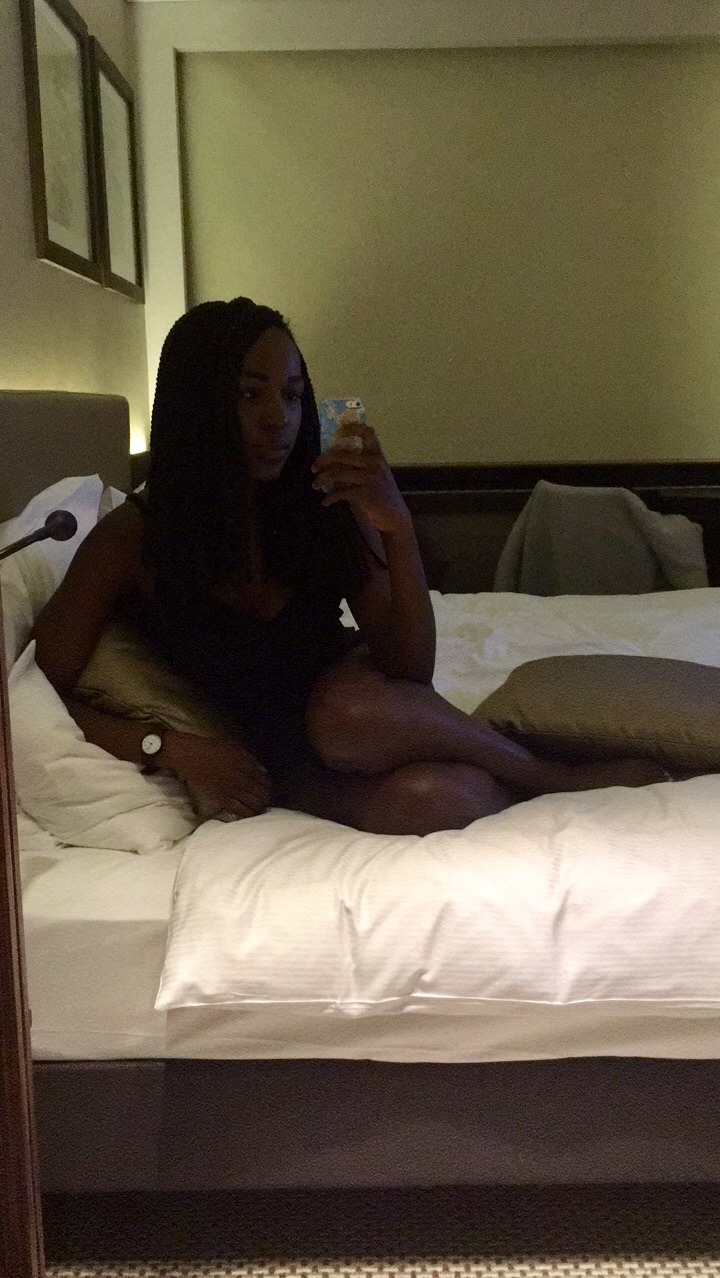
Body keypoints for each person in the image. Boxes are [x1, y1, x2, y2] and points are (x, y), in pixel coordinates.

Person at [33, 297, 670, 836]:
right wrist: (171, 748)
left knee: (348, 716)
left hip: (361, 707)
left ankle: (549, 774)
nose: (278, 420)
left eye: (292, 396)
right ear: (197, 404)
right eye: (250, 394)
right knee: (446, 799)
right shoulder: (132, 538)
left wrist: (395, 527)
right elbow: (41, 694)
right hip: (276, 762)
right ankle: (511, 768)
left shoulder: (322, 501)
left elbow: (410, 668)